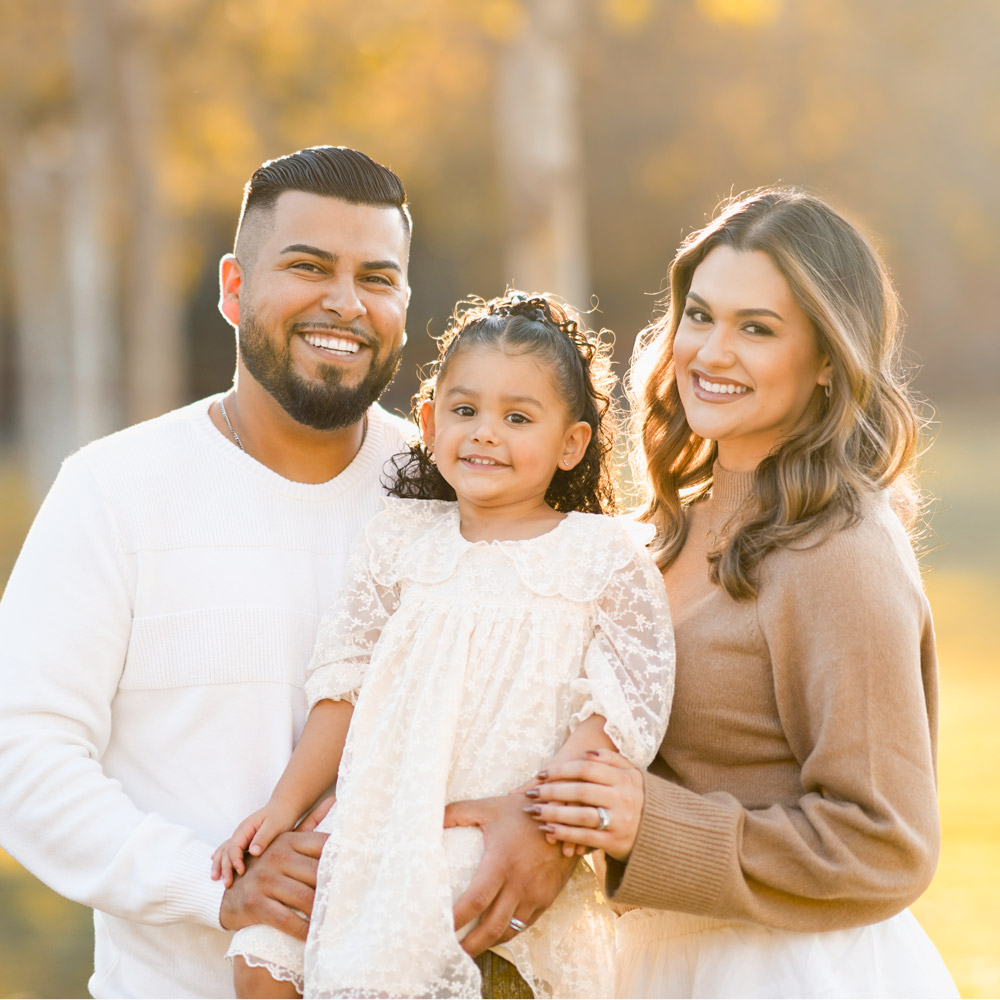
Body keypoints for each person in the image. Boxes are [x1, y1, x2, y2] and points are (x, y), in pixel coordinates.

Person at [0, 148, 572, 999]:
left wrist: (541, 831)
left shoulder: (466, 493)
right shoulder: (115, 491)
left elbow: (555, 703)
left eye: (377, 277)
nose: (345, 302)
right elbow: (23, 756)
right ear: (234, 288)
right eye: (308, 267)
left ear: (404, 306)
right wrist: (215, 883)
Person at [526, 188, 959, 998]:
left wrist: (651, 825)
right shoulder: (658, 535)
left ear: (828, 357)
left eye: (756, 328)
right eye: (701, 316)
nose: (711, 353)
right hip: (656, 967)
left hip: (786, 971)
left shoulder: (840, 547)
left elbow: (887, 842)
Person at [209, 292, 675, 999]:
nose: (486, 433)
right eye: (465, 411)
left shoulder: (603, 554)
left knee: (423, 940)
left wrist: (544, 824)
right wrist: (284, 806)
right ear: (429, 421)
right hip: (379, 813)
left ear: (571, 443)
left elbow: (616, 711)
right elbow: (344, 688)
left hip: (498, 823)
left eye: (518, 418)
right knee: (264, 943)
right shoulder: (399, 540)